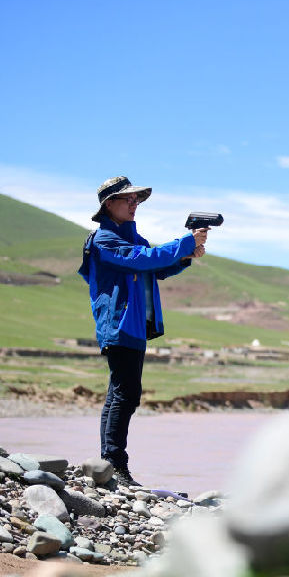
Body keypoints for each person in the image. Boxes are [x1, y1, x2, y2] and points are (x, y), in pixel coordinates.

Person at [78, 176, 208, 487]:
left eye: (136, 199)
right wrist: (186, 242)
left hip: (133, 325)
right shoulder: (104, 240)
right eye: (128, 199)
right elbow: (142, 260)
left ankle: (110, 462)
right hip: (119, 323)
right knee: (125, 393)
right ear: (109, 204)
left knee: (121, 393)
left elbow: (157, 268)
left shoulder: (134, 240)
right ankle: (115, 463)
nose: (134, 204)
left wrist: (186, 256)